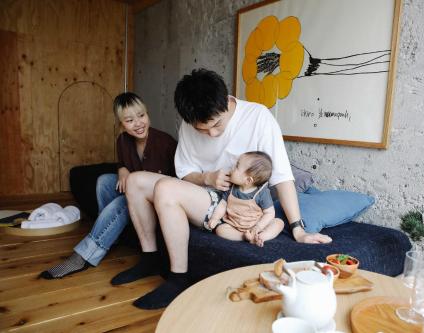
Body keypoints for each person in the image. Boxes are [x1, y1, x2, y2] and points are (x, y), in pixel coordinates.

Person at [111, 69, 332, 310]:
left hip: (232, 203)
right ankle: (150, 258)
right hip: (204, 192)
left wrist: (298, 229)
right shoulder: (188, 123)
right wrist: (207, 177)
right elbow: (184, 173)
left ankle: (177, 279)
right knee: (134, 181)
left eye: (216, 125)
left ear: (226, 101)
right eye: (202, 130)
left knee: (165, 187)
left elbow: (282, 176)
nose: (212, 134)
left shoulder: (258, 117)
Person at [40, 92, 177, 279]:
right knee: (104, 181)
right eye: (129, 120)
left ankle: (84, 255)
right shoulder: (123, 141)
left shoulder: (166, 142)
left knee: (120, 204)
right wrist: (122, 169)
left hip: (159, 198)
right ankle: (111, 234)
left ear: (147, 114)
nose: (138, 123)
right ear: (121, 124)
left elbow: (177, 182)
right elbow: (123, 164)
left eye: (141, 116)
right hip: (134, 192)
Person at [206, 151, 284, 247]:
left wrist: (258, 227)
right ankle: (243, 237)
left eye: (237, 166)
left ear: (248, 180)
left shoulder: (262, 193)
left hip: (256, 225)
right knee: (220, 230)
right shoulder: (232, 187)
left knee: (279, 223)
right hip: (234, 225)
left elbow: (269, 213)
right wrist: (215, 218)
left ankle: (262, 237)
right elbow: (223, 204)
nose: (232, 168)